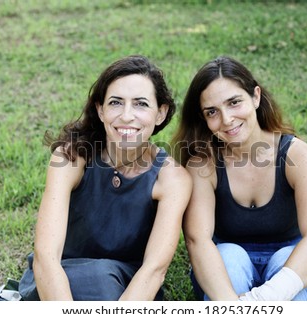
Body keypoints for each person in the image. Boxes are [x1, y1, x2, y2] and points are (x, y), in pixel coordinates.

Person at [16, 55, 192, 300]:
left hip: (130, 290)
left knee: (102, 280)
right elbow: (46, 256)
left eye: (141, 104)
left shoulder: (172, 179)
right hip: (59, 283)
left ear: (160, 113)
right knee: (97, 279)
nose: (127, 116)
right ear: (100, 110)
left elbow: (154, 270)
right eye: (116, 103)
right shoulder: (70, 158)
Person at [172, 56, 307, 301]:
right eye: (212, 112)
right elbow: (197, 241)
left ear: (255, 97)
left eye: (234, 102)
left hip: (296, 268)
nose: (226, 120)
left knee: (284, 258)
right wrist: (232, 306)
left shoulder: (298, 156)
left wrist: (263, 299)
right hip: (225, 276)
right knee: (228, 255)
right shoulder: (203, 164)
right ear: (204, 118)